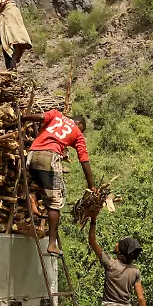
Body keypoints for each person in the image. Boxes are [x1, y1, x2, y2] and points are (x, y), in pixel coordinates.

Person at [22, 106, 94, 256]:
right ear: (79, 124)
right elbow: (84, 160)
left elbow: (41, 117)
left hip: (32, 155)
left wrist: (24, 118)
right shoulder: (77, 133)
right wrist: (91, 185)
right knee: (55, 202)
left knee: (38, 182)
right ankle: (52, 244)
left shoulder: (57, 115)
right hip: (49, 157)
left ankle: (32, 198)